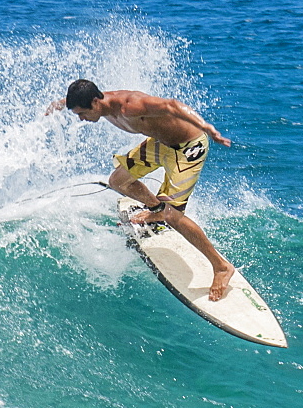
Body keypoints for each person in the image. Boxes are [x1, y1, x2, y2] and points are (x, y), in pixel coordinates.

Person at [48, 79, 235, 300]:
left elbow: (173, 105)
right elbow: (79, 96)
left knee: (173, 216)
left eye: (82, 113)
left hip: (189, 147)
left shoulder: (131, 106)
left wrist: (206, 127)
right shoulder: (97, 102)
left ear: (96, 102)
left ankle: (221, 266)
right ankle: (156, 209)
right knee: (118, 181)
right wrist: (58, 104)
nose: (81, 118)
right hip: (161, 143)